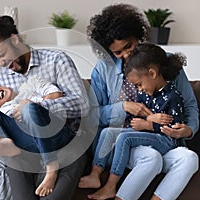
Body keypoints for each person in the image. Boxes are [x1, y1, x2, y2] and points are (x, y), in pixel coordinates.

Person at [82, 3, 199, 200]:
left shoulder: (163, 61)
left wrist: (188, 129)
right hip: (123, 146)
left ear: (138, 36)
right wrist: (122, 107)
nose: (126, 55)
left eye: (128, 46)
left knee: (190, 158)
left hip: (162, 140)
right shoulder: (104, 70)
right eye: (118, 53)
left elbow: (189, 105)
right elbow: (91, 115)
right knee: (150, 158)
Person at [0, 15, 89, 199]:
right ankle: (6, 142)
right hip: (23, 147)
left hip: (62, 140)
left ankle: (51, 166)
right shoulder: (0, 76)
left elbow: (82, 105)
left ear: (14, 40)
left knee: (29, 110)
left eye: (1, 55)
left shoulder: (56, 60)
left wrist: (38, 105)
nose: (0, 64)